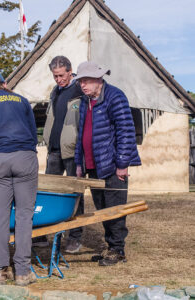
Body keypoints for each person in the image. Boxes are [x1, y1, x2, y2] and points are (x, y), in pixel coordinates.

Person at [74, 61, 141, 266]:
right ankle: (110, 247)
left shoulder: (115, 96)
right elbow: (81, 134)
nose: (82, 85)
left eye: (86, 80)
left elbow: (126, 132)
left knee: (115, 207)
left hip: (111, 164)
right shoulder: (86, 101)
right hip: (93, 164)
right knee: (102, 208)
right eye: (80, 81)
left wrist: (122, 163)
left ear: (99, 79)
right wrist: (79, 162)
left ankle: (117, 250)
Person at [0, 72, 39, 286]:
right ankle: (22, 272)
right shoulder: (21, 100)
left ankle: (1, 271)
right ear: (5, 84)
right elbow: (33, 133)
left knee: (0, 216)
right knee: (23, 217)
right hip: (25, 158)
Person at [41, 55, 84, 253]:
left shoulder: (79, 89)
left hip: (74, 151)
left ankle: (74, 237)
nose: (58, 79)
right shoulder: (55, 91)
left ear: (70, 71)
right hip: (55, 150)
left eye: (61, 75)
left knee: (75, 195)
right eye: (55, 76)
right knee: (49, 192)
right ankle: (45, 232)